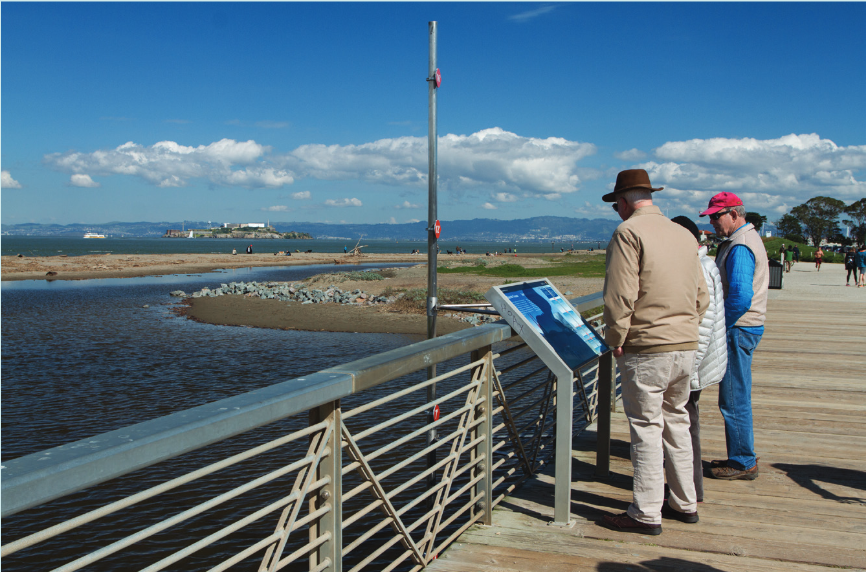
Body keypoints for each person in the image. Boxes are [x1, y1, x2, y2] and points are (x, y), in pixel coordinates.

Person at [600, 169, 709, 535]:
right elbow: (702, 296)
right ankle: (684, 501)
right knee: (677, 420)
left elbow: (620, 295)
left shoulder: (628, 232)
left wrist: (615, 337)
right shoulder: (682, 234)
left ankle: (645, 511)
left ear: (625, 201)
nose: (617, 209)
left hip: (647, 347)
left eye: (617, 203)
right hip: (685, 343)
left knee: (646, 427)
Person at [700, 192, 769, 480]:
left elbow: (740, 296)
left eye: (717, 216)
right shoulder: (744, 239)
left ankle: (743, 461)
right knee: (735, 393)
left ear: (734, 214)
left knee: (733, 396)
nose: (713, 222)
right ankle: (741, 454)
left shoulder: (740, 245)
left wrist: (720, 325)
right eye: (711, 217)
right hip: (747, 327)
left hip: (739, 328)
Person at [671, 216, 728, 504]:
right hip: (702, 359)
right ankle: (689, 489)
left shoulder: (699, 268)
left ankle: (689, 491)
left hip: (695, 360)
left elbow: (702, 327)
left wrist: (688, 372)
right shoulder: (704, 264)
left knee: (686, 424)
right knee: (688, 422)